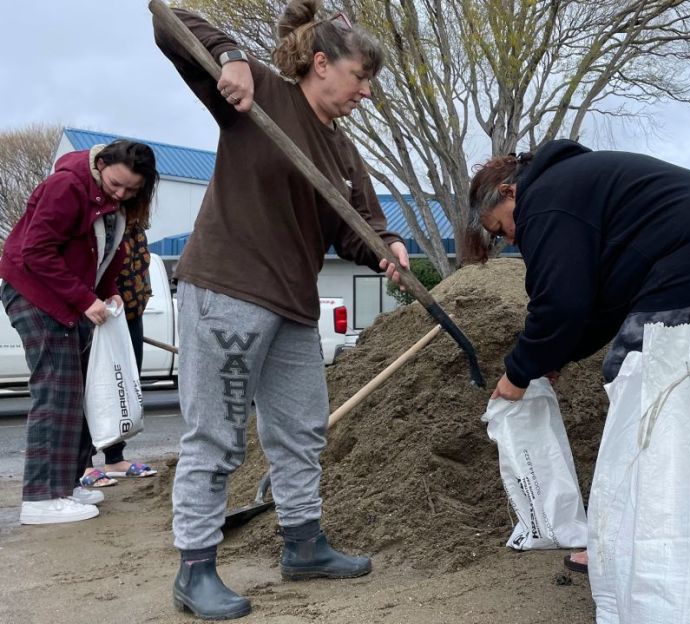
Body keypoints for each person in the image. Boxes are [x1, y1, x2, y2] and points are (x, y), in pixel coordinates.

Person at [153, 1, 408, 619]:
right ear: (321, 64)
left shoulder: (344, 154)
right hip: (229, 290)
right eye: (359, 78)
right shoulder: (260, 93)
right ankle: (195, 569)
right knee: (215, 435)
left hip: (294, 305)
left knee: (301, 432)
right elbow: (167, 20)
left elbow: (362, 227)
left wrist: (388, 248)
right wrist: (231, 58)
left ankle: (303, 544)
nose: (366, 93)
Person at [466, 139, 690, 573]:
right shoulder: (575, 186)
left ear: (508, 191)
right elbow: (605, 306)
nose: (512, 238)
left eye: (501, 228)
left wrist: (518, 373)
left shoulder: (543, 199)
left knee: (635, 379)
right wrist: (554, 356)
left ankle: (623, 538)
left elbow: (560, 304)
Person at [0, 140, 158, 525]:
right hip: (33, 292)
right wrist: (85, 299)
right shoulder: (67, 187)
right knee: (57, 389)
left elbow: (103, 256)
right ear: (100, 164)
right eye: (116, 183)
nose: (119, 193)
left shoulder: (116, 205)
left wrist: (110, 294)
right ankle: (41, 497)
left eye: (131, 190)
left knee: (81, 390)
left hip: (70, 299)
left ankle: (67, 485)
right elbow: (35, 252)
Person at [79, 221, 160, 489]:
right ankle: (84, 462)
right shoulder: (101, 222)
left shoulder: (135, 227)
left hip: (128, 313)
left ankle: (115, 458)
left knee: (123, 385)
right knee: (93, 387)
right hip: (95, 313)